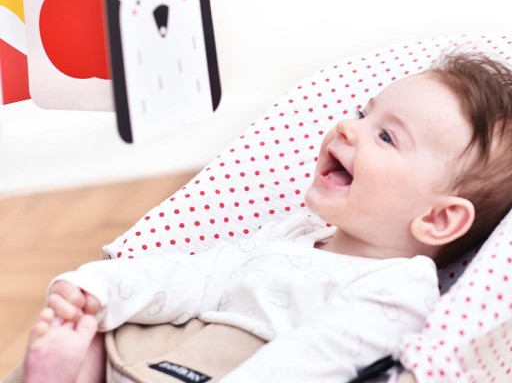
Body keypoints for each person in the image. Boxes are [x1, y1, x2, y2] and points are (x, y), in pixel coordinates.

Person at [21, 50, 512, 383]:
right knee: (100, 335)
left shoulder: (397, 290)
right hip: (177, 346)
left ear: (438, 220)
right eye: (364, 114)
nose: (348, 126)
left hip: (246, 366)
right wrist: (101, 289)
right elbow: (197, 275)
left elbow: (311, 362)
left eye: (386, 137)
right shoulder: (295, 232)